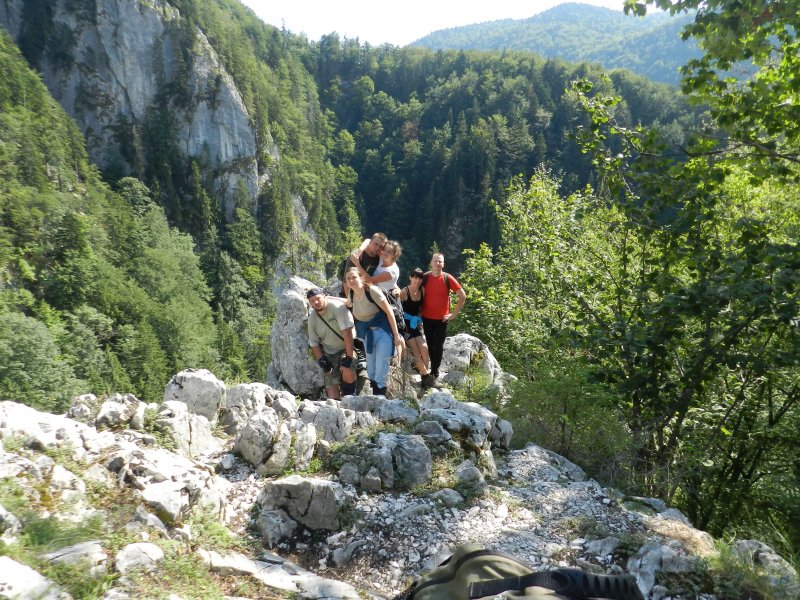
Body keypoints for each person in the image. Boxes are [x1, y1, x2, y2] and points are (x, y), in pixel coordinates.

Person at [344, 267, 405, 397]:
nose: (351, 280)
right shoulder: (352, 294)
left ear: (361, 278)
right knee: (371, 369)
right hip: (367, 335)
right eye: (348, 278)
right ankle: (376, 398)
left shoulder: (372, 291)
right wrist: (329, 299)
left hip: (383, 332)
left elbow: (389, 312)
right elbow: (347, 304)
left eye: (354, 277)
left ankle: (380, 398)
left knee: (381, 368)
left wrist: (396, 336)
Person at [306, 288, 365, 399]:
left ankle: (349, 397)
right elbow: (314, 343)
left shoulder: (337, 308)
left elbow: (347, 333)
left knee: (347, 367)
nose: (316, 303)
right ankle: (336, 405)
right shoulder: (312, 318)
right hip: (330, 352)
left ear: (324, 296)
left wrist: (349, 357)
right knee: (330, 380)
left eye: (318, 299)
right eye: (312, 301)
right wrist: (322, 360)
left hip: (347, 347)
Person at [420, 253, 466, 381]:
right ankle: (428, 369)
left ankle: (435, 371)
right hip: (426, 318)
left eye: (440, 261)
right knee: (429, 345)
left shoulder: (447, 278)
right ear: (431, 262)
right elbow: (414, 291)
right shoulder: (424, 277)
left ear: (443, 264)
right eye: (435, 261)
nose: (437, 263)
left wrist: (454, 314)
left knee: (439, 346)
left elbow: (462, 296)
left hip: (442, 319)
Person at [399, 267, 435, 388]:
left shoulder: (422, 291)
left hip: (416, 324)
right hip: (406, 326)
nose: (417, 280)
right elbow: (398, 311)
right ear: (410, 278)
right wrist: (410, 318)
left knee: (424, 348)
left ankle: (423, 375)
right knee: (415, 350)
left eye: (420, 278)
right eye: (415, 277)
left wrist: (419, 319)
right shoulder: (404, 292)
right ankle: (426, 377)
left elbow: (420, 308)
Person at [341, 232, 387, 298]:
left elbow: (370, 280)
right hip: (353, 294)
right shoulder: (356, 256)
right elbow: (346, 282)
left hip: (367, 294)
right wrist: (350, 302)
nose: (377, 248)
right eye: (376, 244)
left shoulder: (378, 259)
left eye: (381, 247)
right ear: (370, 242)